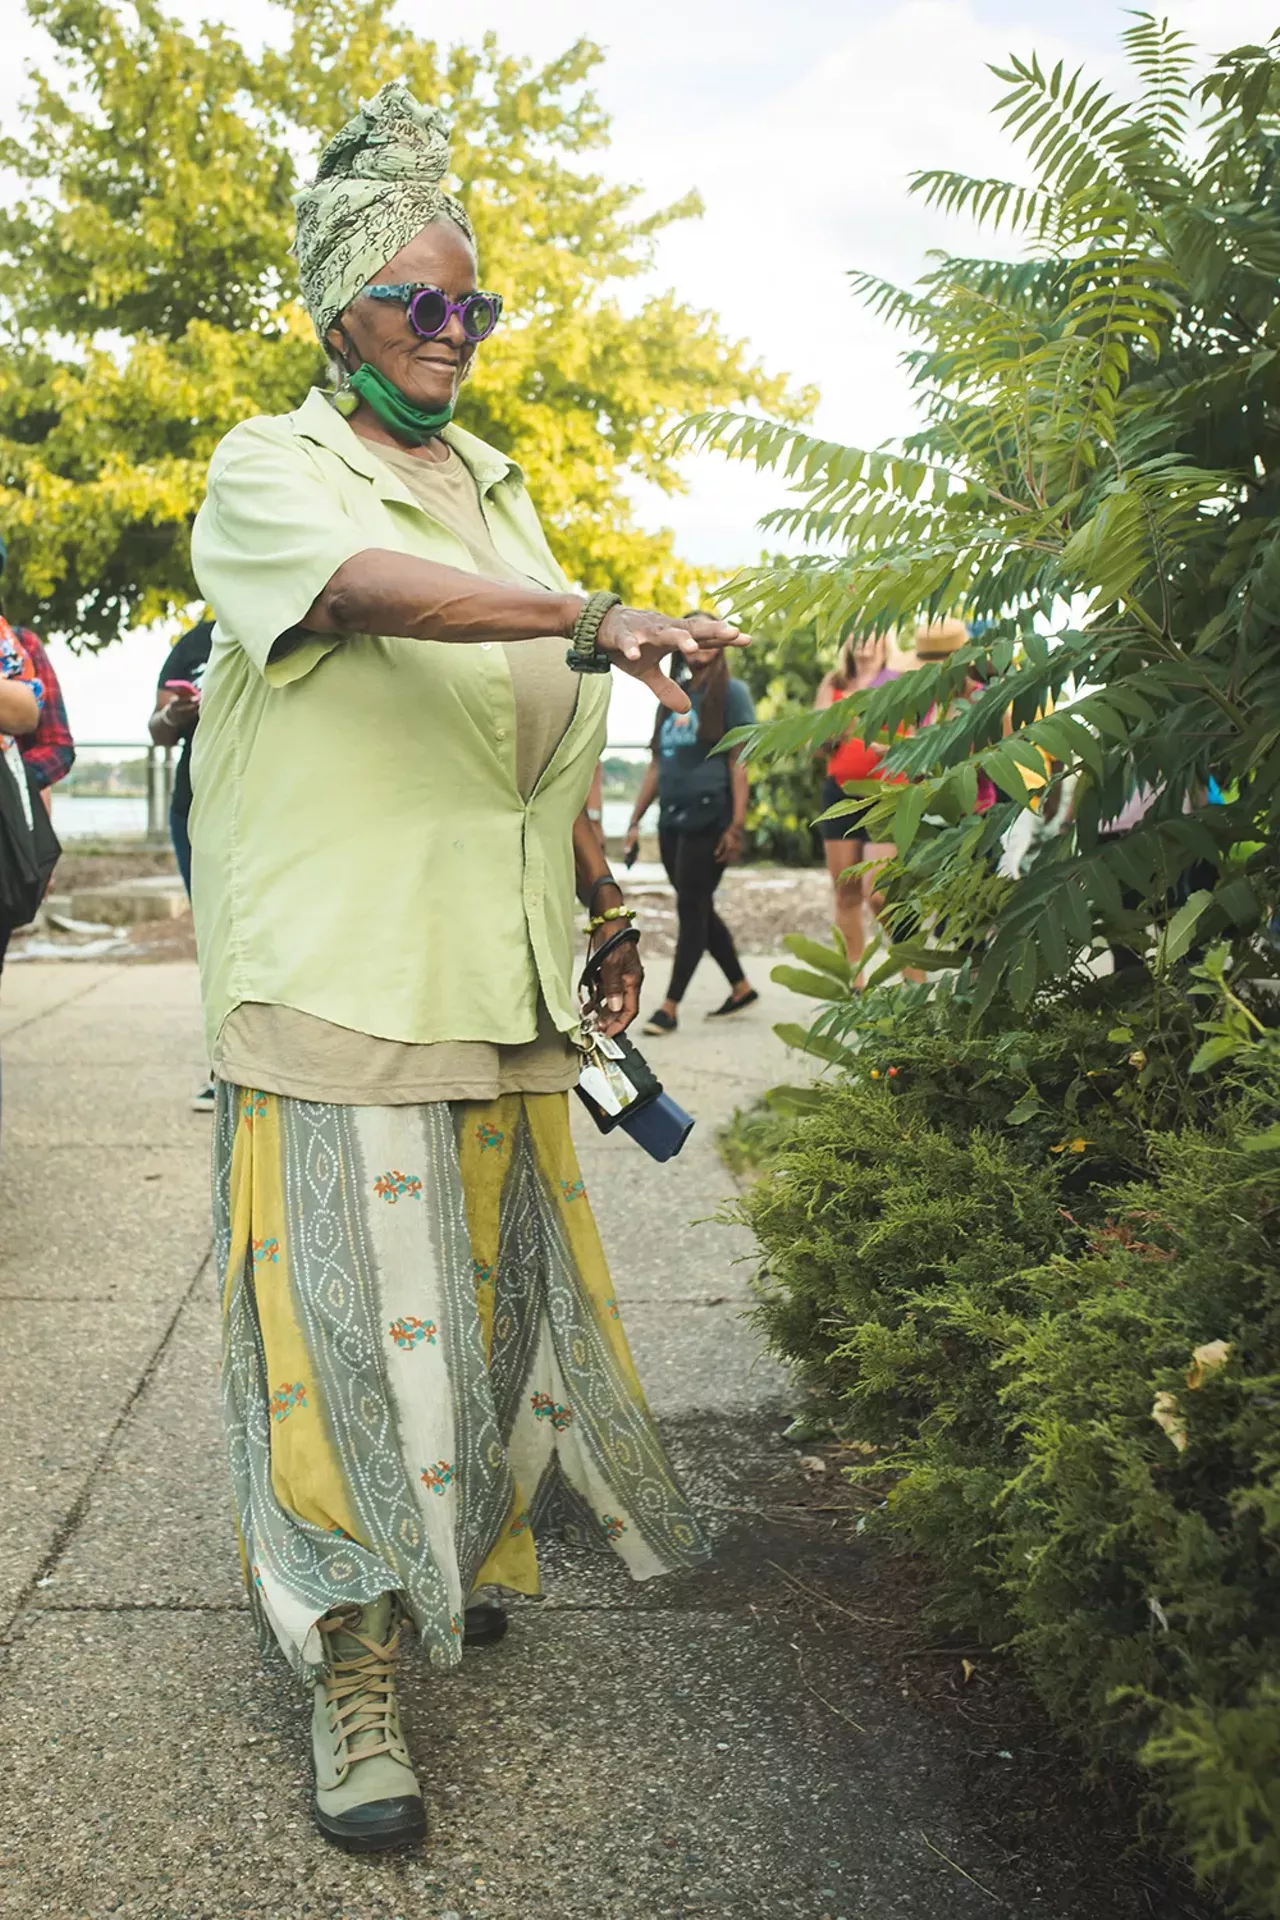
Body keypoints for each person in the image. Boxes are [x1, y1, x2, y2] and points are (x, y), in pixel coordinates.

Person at [188, 85, 746, 1856]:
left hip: (498, 983)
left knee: (490, 1323)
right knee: (343, 1332)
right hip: (343, 980)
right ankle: (346, 1658)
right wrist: (589, 613)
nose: (452, 331)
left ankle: (437, 1557)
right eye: (419, 301)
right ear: (337, 306)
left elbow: (532, 731)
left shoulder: (500, 489)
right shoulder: (271, 469)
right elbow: (368, 597)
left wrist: (598, 899)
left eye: (473, 306)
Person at [621, 636, 757, 1035]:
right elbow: (655, 767)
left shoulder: (732, 693)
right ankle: (741, 987)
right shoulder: (669, 696)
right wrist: (633, 821)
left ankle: (670, 1006)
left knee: (691, 910)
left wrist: (736, 826)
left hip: (710, 816)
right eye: (693, 641)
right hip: (671, 819)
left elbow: (740, 761)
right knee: (696, 906)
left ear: (720, 648)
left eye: (708, 641)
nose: (699, 649)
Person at [149, 617, 217, 1111]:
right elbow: (157, 730)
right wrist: (178, 713)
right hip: (195, 809)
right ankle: (224, 1067)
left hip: (273, 807)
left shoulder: (302, 621)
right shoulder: (194, 643)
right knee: (217, 940)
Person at [813, 631, 900, 972]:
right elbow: (817, 742)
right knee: (845, 893)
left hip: (888, 794)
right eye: (855, 634)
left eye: (871, 633)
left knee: (878, 894)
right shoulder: (834, 682)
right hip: (840, 792)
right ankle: (856, 978)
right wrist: (835, 728)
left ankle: (912, 966)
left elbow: (919, 734)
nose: (863, 640)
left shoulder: (899, 679)